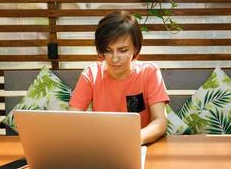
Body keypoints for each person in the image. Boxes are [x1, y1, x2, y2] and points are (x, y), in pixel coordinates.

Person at [69, 10, 169, 145]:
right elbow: (72, 120)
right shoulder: (91, 75)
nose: (115, 58)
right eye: (108, 51)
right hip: (101, 148)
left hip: (140, 147)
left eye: (123, 50)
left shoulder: (149, 72)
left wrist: (132, 140)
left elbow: (160, 121)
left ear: (135, 48)